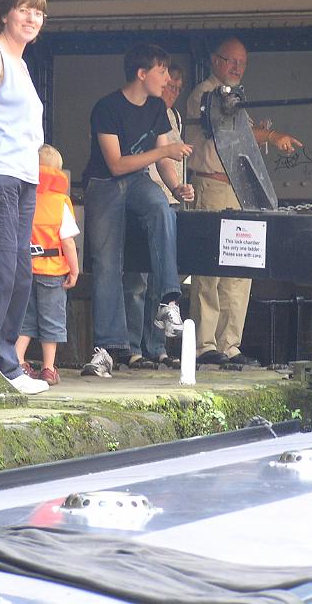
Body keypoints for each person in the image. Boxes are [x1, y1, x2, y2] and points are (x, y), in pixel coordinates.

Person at [186, 37, 303, 366]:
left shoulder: (234, 97)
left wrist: (267, 135)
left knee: (240, 267)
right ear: (215, 60)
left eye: (242, 63)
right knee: (210, 268)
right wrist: (272, 136)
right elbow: (230, 131)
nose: (237, 68)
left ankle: (229, 344)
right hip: (212, 185)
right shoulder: (205, 94)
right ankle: (204, 346)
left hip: (239, 188)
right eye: (231, 61)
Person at [81, 44, 194, 377]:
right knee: (107, 262)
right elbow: (116, 165)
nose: (167, 78)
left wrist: (175, 188)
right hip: (104, 184)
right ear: (142, 74)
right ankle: (107, 348)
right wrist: (167, 150)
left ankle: (168, 303)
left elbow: (162, 158)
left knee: (163, 208)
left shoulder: (157, 107)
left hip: (140, 180)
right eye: (161, 72)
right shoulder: (107, 107)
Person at [0, 0, 50, 395]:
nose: (32, 18)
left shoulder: (22, 63)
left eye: (38, 13)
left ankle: (8, 363)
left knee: (21, 275)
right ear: (5, 14)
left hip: (25, 179)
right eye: (24, 10)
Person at [124, 62, 187, 369]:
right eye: (167, 82)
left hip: (166, 199)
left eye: (176, 87)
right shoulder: (141, 109)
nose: (170, 89)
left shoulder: (171, 115)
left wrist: (178, 188)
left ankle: (157, 346)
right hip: (142, 197)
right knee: (138, 279)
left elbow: (169, 162)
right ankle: (133, 346)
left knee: (162, 274)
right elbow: (158, 157)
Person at [16, 144, 80, 386]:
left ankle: (18, 360)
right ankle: (48, 368)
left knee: (26, 318)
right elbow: (68, 242)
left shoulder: (26, 198)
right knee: (51, 319)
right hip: (53, 272)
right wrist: (74, 270)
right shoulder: (60, 203)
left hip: (26, 269)